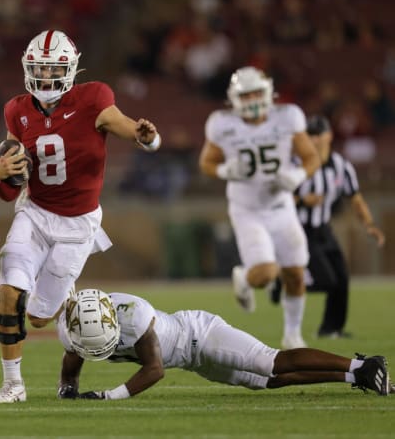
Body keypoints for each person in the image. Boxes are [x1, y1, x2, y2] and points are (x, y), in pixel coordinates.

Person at [0, 29, 161, 403]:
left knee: (37, 316)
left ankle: (66, 297)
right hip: (33, 213)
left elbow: (129, 127)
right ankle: (13, 385)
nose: (45, 77)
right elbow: (7, 186)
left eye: (53, 70)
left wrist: (146, 137)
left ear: (70, 70)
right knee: (8, 292)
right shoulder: (16, 110)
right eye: (39, 69)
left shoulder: (94, 98)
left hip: (78, 224)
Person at [56, 289, 390, 400]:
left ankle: (362, 365)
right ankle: (355, 378)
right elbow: (72, 360)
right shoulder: (74, 325)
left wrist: (108, 396)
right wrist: (67, 388)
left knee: (268, 362)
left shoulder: (135, 316)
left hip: (199, 333)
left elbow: (154, 369)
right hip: (192, 360)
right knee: (267, 382)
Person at [198, 66, 320, 349]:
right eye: (245, 95)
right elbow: (207, 163)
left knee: (296, 273)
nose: (252, 100)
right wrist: (227, 170)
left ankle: (292, 334)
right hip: (247, 209)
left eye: (256, 93)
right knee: (265, 275)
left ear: (268, 93)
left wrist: (298, 175)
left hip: (282, 206)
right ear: (234, 98)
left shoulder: (288, 116)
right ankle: (244, 276)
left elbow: (311, 156)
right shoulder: (222, 123)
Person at [270, 115, 386, 338]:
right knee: (326, 280)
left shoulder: (341, 166)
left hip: (324, 229)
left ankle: (331, 329)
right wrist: (304, 200)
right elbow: (276, 198)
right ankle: (283, 281)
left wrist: (369, 224)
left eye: (317, 134)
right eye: (309, 134)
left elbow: (356, 198)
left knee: (341, 279)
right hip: (300, 230)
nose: (313, 139)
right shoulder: (295, 164)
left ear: (329, 135)